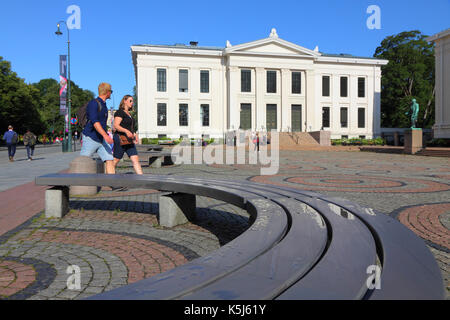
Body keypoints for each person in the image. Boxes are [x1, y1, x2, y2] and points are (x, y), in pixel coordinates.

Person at [80, 82, 115, 174]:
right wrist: (106, 136)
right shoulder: (93, 103)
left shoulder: (103, 104)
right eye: (111, 91)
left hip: (101, 139)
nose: (111, 93)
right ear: (107, 92)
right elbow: (95, 122)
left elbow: (102, 123)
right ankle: (78, 185)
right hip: (90, 138)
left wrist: (105, 134)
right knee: (83, 162)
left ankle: (113, 183)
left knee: (109, 159)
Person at [112, 95, 143, 175]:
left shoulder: (129, 114)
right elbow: (116, 125)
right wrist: (126, 131)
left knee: (135, 159)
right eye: (130, 101)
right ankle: (108, 176)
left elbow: (130, 127)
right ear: (124, 101)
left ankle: (142, 179)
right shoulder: (119, 112)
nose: (132, 103)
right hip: (120, 139)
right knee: (116, 159)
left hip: (129, 140)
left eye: (132, 101)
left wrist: (135, 134)